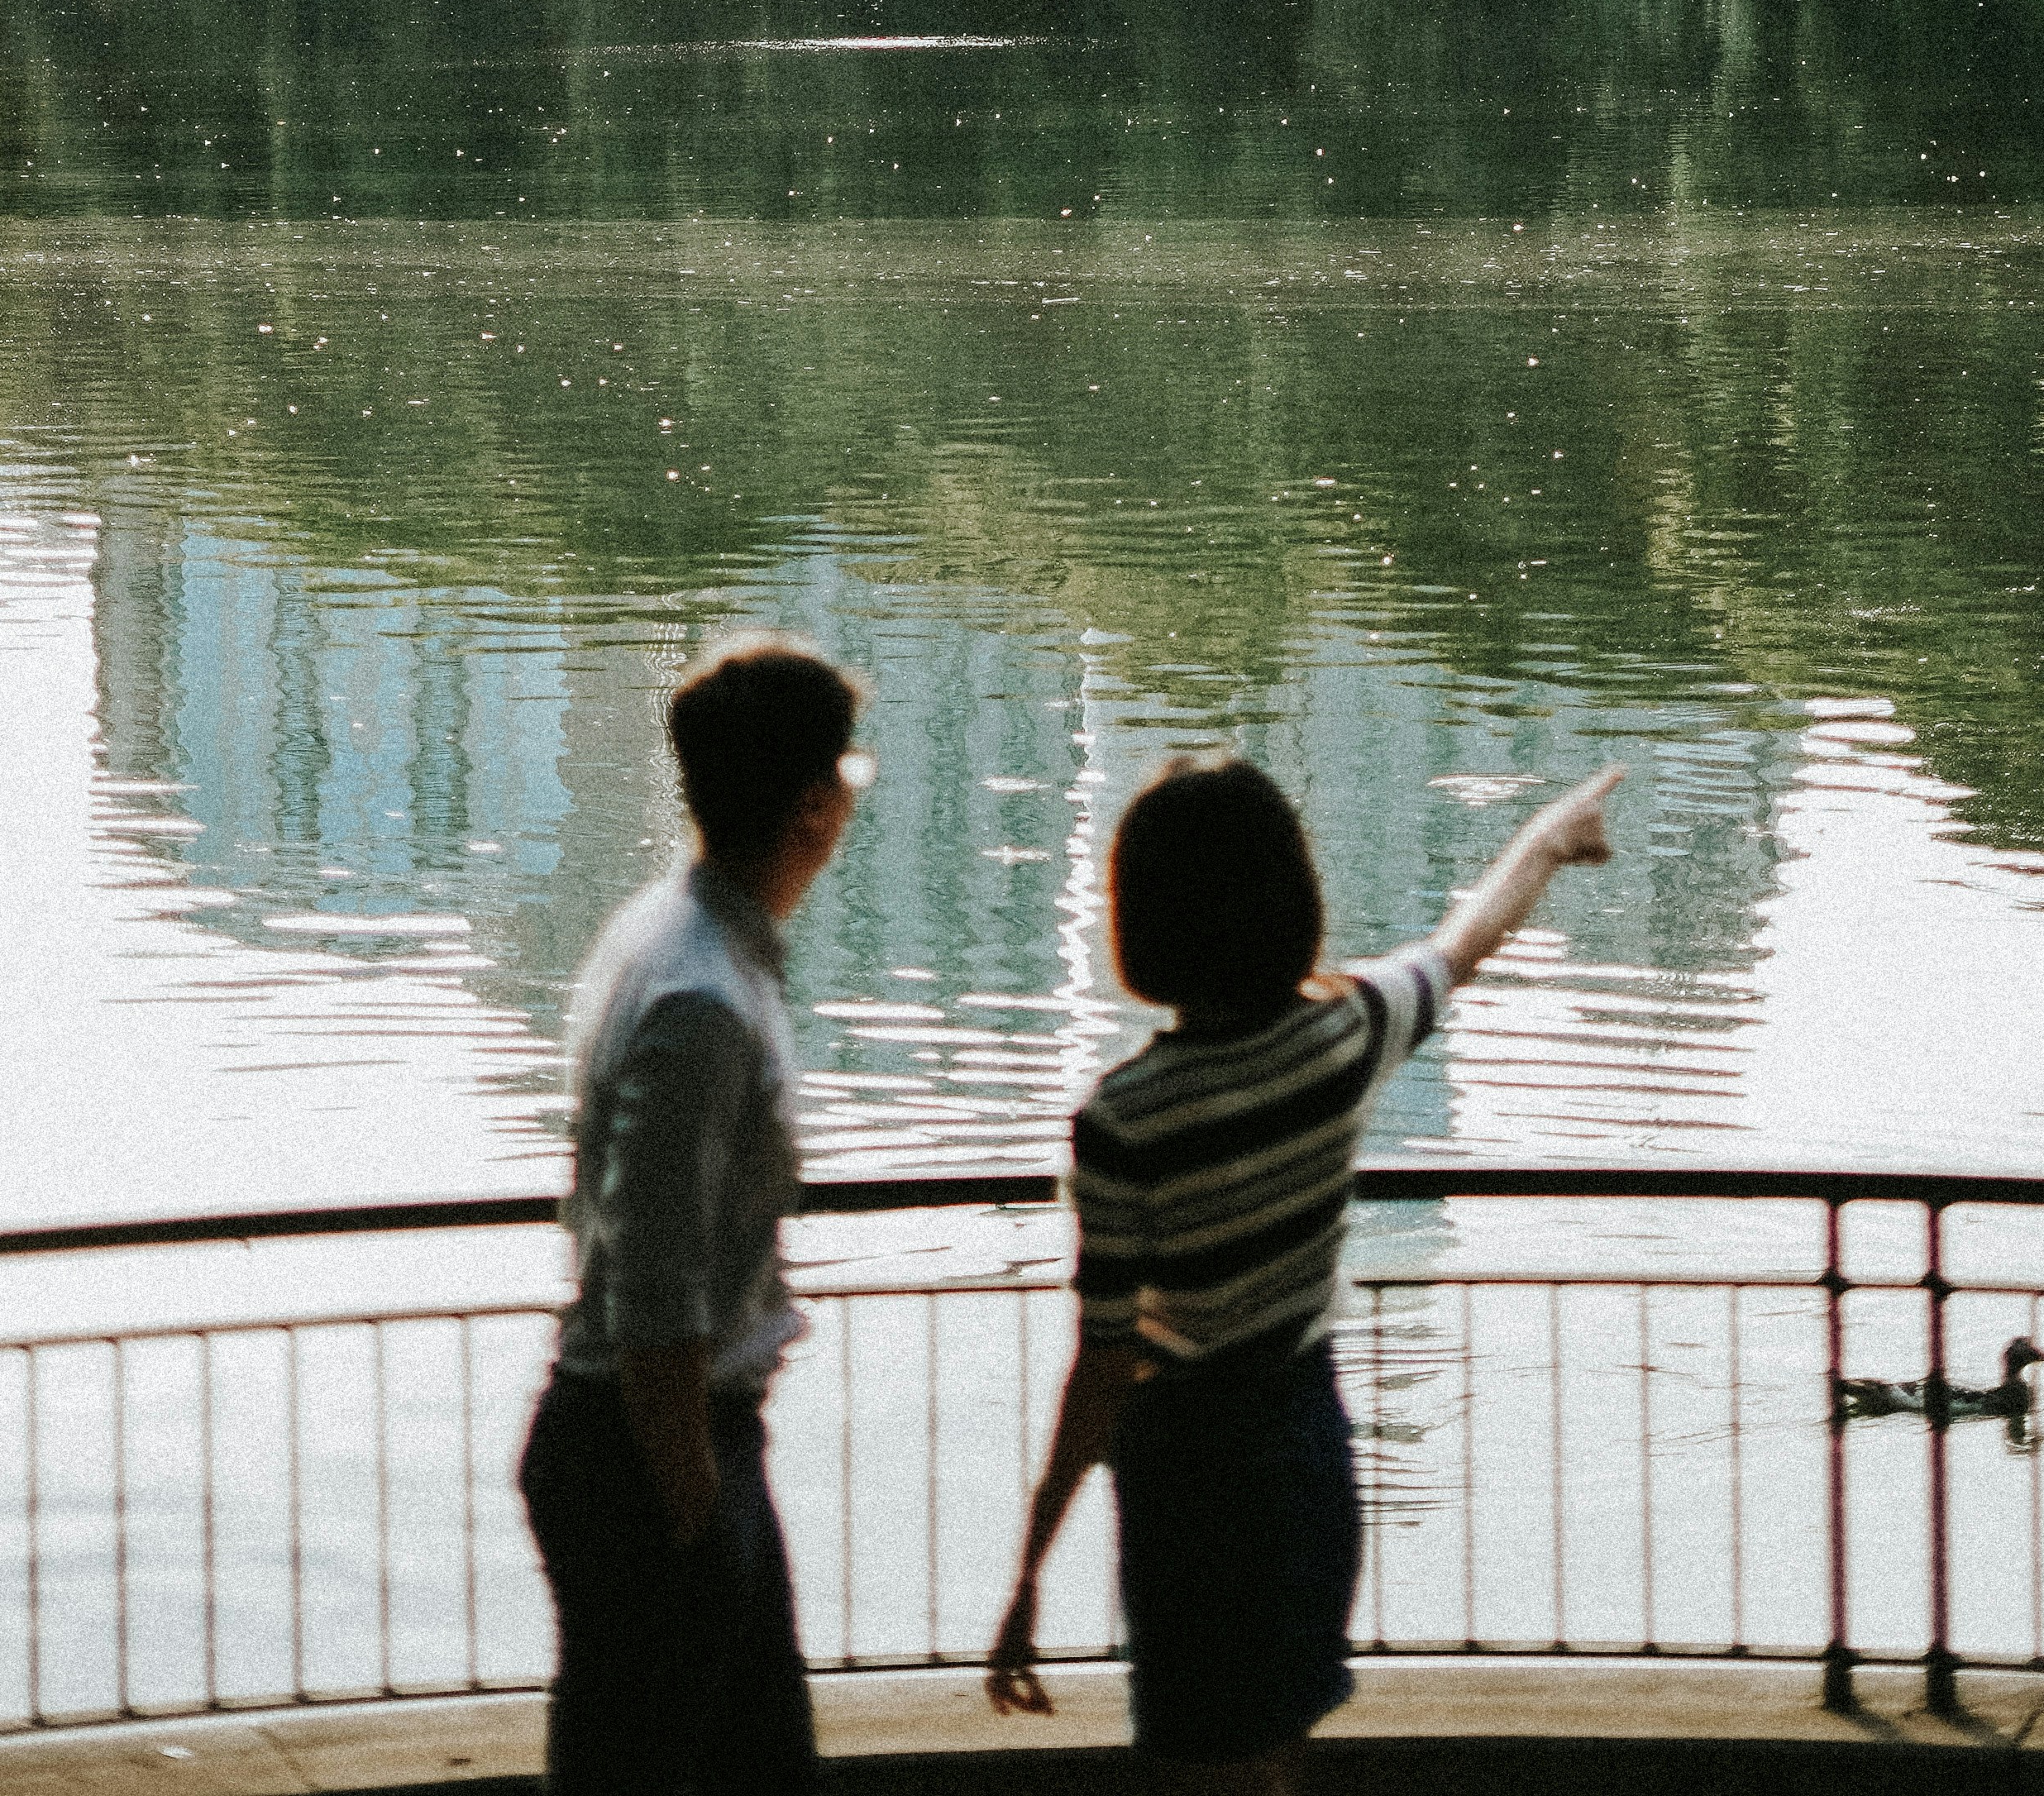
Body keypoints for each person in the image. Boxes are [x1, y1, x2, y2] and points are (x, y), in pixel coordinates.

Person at [985, 748, 1623, 1785]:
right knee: (1274, 1749)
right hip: (1302, 1442)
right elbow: (1464, 945)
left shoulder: (1121, 1121)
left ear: (1136, 914)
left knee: (1203, 1758)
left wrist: (1026, 1574)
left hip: (1186, 1472)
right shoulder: (1348, 1032)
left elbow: (1100, 1367)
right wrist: (1549, 838)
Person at [520, 640, 871, 1796]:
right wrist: (692, 1516)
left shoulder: (672, 937)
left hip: (667, 1445)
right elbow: (657, 1290)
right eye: (848, 774)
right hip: (653, 1455)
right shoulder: (703, 999)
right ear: (814, 805)